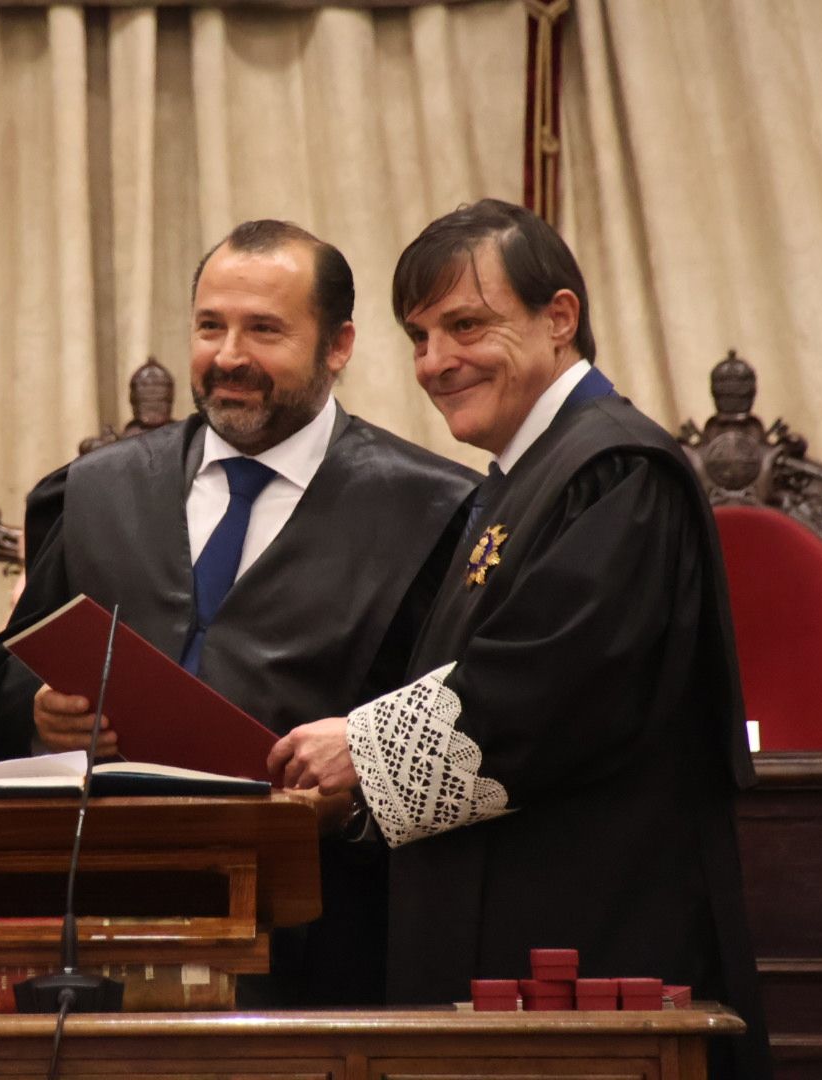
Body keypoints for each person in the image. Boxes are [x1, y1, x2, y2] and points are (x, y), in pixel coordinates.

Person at [268, 199, 769, 1077]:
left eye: (466, 325)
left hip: (597, 958)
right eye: (419, 336)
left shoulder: (617, 469)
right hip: (516, 944)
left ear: (559, 319)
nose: (435, 362)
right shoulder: (523, 479)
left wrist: (363, 752)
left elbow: (557, 685)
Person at [0, 219, 479, 1005]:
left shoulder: (433, 512)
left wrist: (354, 784)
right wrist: (40, 711)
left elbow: (460, 726)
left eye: (264, 330)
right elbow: (1, 680)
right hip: (109, 928)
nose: (229, 355)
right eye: (211, 326)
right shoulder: (95, 492)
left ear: (338, 345)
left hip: (331, 945)